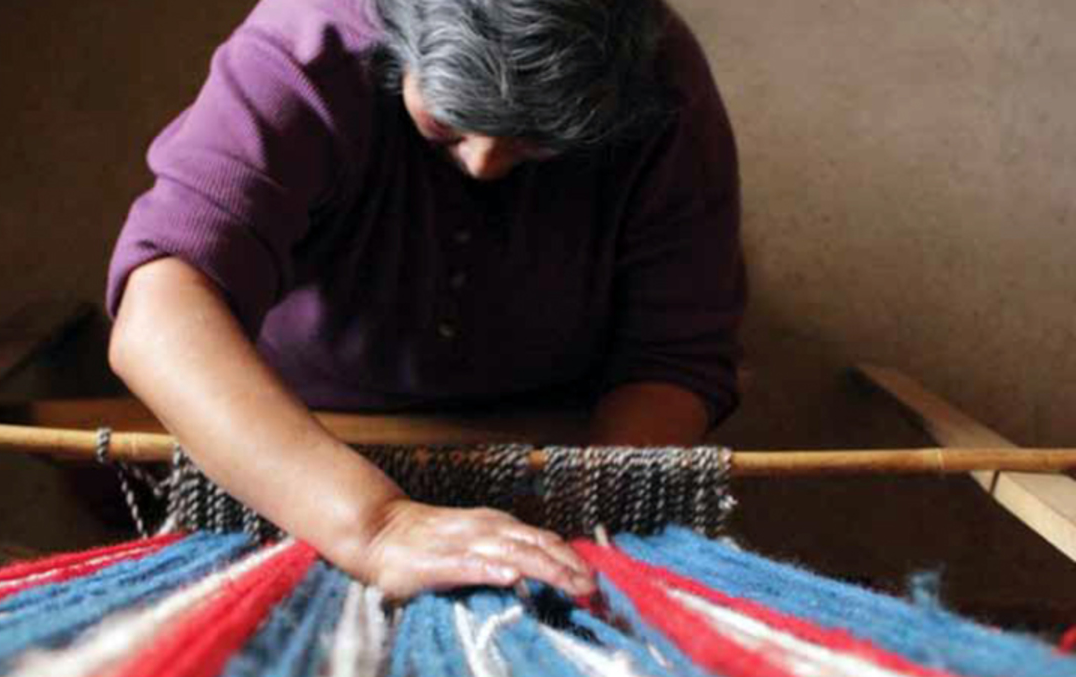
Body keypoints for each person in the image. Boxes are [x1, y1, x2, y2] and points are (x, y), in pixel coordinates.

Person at [106, 0, 745, 600]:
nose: (484, 164)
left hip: (559, 442)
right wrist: (374, 525)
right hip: (298, 450)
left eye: (537, 143)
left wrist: (584, 528)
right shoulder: (305, 47)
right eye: (445, 126)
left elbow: (672, 357)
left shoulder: (660, 80)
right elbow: (161, 310)